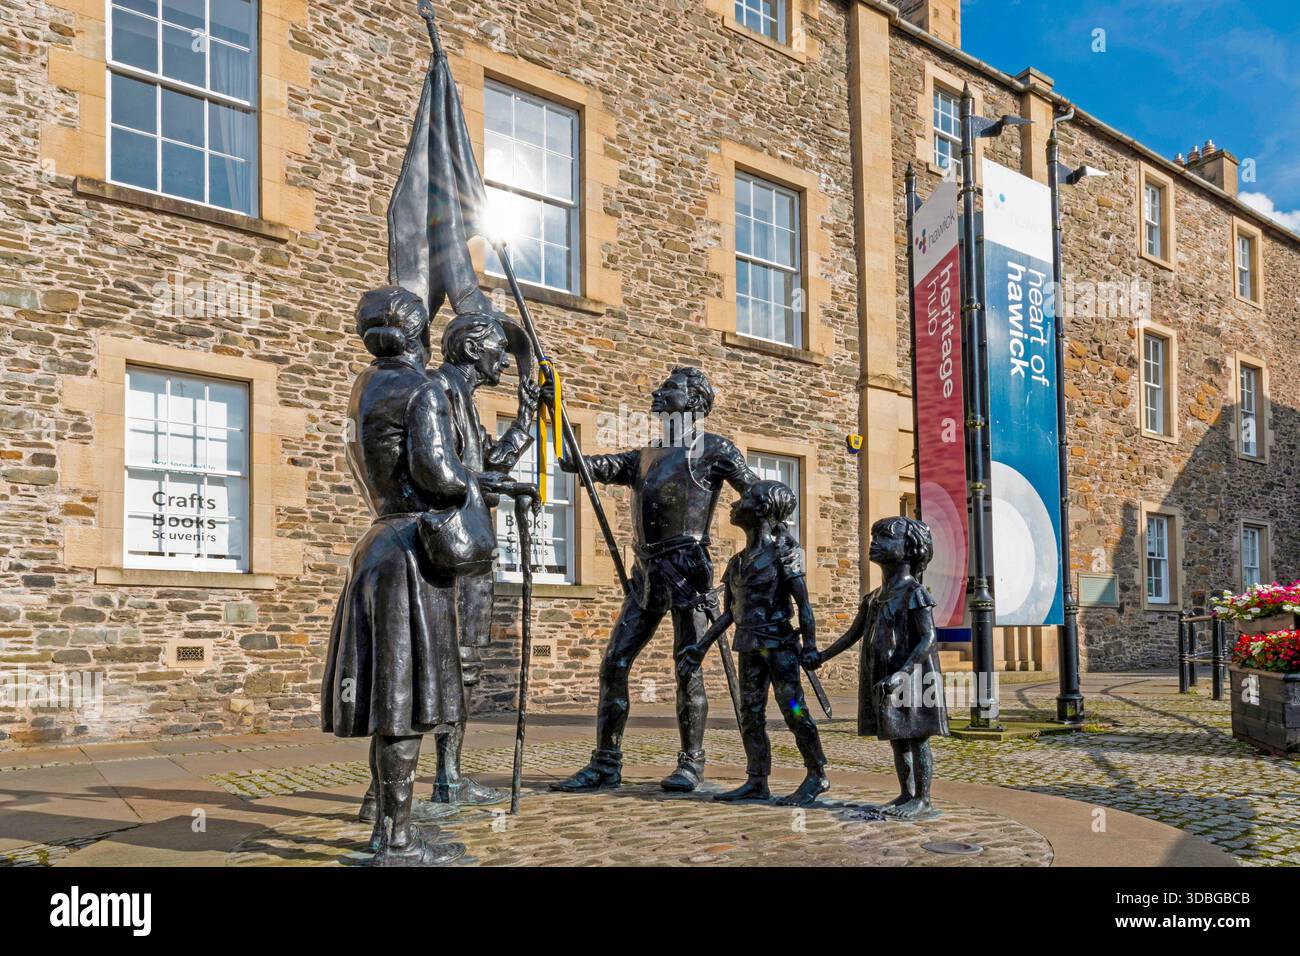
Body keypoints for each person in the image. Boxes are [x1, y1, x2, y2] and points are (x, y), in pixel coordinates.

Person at [321, 287, 534, 865]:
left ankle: (391, 829)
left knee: (396, 700)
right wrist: (487, 485)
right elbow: (439, 474)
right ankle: (395, 839)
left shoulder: (367, 384)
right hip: (413, 553)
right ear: (417, 333)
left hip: (379, 546)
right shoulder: (420, 389)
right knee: (406, 701)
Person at [550, 367, 758, 793]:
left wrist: (757, 556)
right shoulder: (641, 457)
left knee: (688, 667)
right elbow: (575, 462)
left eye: (671, 389)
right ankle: (606, 762)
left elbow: (760, 498)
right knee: (615, 664)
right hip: (646, 575)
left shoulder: (715, 450)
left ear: (696, 401)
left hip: (688, 574)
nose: (659, 394)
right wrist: (551, 409)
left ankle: (691, 762)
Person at [677, 480, 828, 806]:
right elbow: (729, 613)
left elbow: (803, 604)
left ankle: (817, 773)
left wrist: (812, 645)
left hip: (778, 649)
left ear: (761, 510)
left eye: (743, 499)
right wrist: (700, 647)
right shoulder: (737, 563)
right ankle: (757, 779)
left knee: (794, 709)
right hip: (749, 647)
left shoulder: (783, 554)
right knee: (750, 713)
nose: (734, 504)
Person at [807, 516, 948, 820]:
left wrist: (903, 672)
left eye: (884, 537)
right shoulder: (873, 598)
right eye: (874, 536)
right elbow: (852, 635)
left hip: (912, 676)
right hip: (883, 676)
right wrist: (822, 655)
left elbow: (928, 638)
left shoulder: (914, 593)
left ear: (908, 549)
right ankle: (906, 793)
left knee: (918, 737)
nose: (875, 542)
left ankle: (923, 798)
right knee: (898, 737)